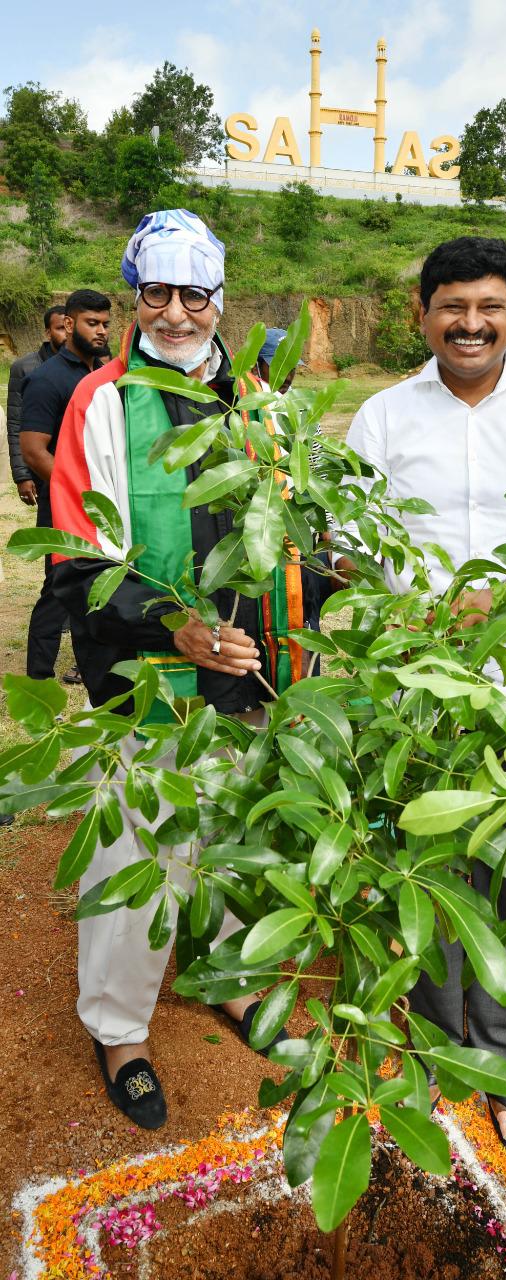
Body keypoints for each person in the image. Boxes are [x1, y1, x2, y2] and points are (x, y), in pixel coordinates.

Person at [335, 235, 506, 1156]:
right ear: (423, 312)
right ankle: (438, 1044)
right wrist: (400, 602)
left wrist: (500, 598)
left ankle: (499, 1062)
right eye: (452, 306)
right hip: (416, 697)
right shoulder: (380, 417)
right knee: (424, 878)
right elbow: (348, 546)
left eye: (488, 305)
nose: (471, 323)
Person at [50, 210, 307, 1129]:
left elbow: (285, 536)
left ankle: (233, 983)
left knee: (238, 835)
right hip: (144, 676)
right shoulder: (104, 401)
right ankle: (119, 1028)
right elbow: (78, 557)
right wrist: (176, 628)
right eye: (155, 293)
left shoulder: (260, 405)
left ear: (219, 300)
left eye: (192, 294)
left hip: (249, 674)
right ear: (135, 297)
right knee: (137, 848)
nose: (174, 313)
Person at [19, 291, 112, 682]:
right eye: (93, 323)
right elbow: (34, 450)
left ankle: (94, 675)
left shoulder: (104, 374)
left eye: (106, 323)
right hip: (65, 504)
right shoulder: (46, 378)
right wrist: (76, 492)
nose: (102, 331)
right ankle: (39, 680)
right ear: (69, 324)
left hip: (104, 502)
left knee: (100, 591)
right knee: (58, 592)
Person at [6, 305, 67, 507]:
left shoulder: (86, 365)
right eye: (60, 328)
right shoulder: (25, 367)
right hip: (41, 466)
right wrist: (22, 475)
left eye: (70, 327)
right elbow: (15, 423)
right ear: (47, 333)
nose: (66, 334)